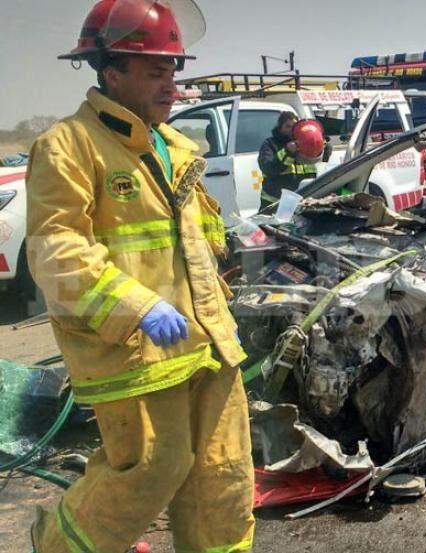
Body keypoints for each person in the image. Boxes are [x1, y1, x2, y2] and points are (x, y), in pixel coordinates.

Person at [25, 1, 254, 551]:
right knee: (151, 470)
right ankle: (53, 544)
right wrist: (136, 306)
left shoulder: (175, 148)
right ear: (111, 71)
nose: (171, 84)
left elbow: (193, 242)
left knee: (224, 479)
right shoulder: (69, 146)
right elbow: (55, 251)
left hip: (208, 345)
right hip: (135, 354)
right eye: (155, 71)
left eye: (173, 70)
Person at [257, 111, 329, 208]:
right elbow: (269, 168)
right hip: (274, 203)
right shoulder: (270, 144)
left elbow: (321, 165)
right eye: (288, 126)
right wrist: (288, 152)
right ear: (280, 128)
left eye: (294, 126)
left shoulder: (306, 144)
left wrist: (319, 145)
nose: (291, 130)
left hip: (302, 202)